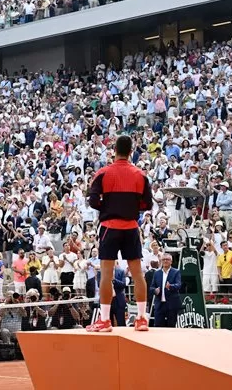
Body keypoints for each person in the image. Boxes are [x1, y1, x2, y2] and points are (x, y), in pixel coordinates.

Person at [86, 135, 151, 332]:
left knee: (106, 275)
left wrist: (109, 206)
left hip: (110, 227)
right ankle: (141, 319)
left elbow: (93, 200)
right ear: (131, 151)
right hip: (131, 226)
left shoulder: (104, 173)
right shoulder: (140, 175)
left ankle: (105, 320)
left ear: (114, 150)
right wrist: (130, 207)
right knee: (138, 274)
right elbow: (147, 204)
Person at [149, 253, 182, 327]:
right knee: (158, 325)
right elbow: (151, 287)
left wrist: (170, 286)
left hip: (171, 304)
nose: (165, 261)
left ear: (171, 261)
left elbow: (179, 285)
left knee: (171, 326)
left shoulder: (176, 272)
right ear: (161, 261)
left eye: (167, 259)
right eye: (163, 259)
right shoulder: (157, 273)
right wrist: (155, 290)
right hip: (159, 304)